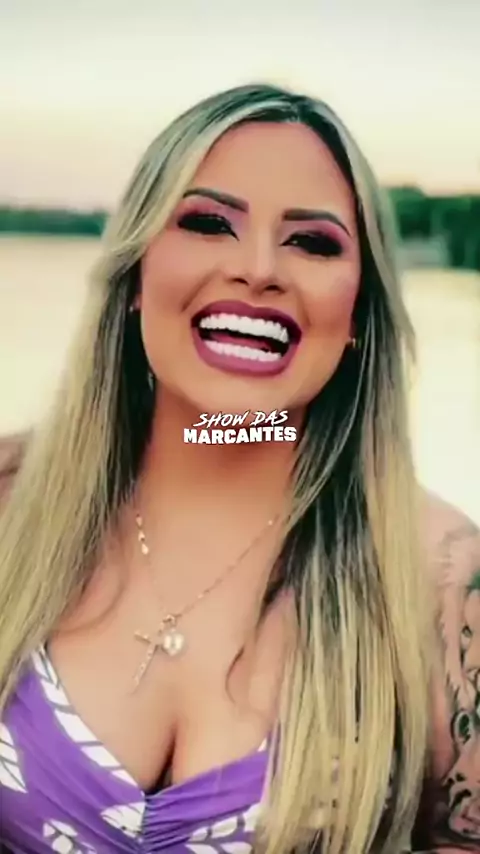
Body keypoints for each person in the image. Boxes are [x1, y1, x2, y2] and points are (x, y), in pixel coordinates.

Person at [0, 82, 478, 854]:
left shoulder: (444, 584)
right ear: (136, 273)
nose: (257, 270)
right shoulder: (9, 502)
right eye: (207, 222)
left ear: (359, 313)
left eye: (312, 242)